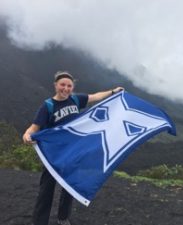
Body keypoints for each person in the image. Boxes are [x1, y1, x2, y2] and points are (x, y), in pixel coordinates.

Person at [22, 71, 124, 225]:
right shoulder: (48, 106)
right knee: (46, 189)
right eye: (62, 85)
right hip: (54, 155)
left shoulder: (76, 99)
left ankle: (63, 218)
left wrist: (113, 92)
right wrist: (27, 135)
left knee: (69, 186)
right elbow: (34, 127)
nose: (66, 88)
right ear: (56, 85)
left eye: (69, 86)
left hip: (72, 152)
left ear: (72, 87)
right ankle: (39, 221)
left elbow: (95, 97)